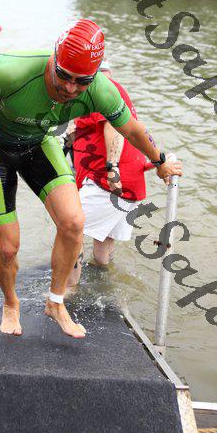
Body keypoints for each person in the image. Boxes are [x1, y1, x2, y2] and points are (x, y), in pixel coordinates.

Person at [0, 19, 182, 341]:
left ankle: (55, 303)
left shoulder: (101, 89)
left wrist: (160, 161)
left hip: (38, 144)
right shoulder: (11, 70)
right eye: (64, 75)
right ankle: (11, 303)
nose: (71, 88)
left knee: (74, 222)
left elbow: (131, 128)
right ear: (54, 58)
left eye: (82, 81)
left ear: (95, 74)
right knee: (8, 247)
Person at [67, 59, 150, 285]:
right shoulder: (110, 92)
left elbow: (112, 125)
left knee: (69, 230)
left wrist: (112, 168)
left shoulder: (102, 89)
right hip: (130, 182)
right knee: (103, 240)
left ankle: (65, 291)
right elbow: (137, 130)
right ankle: (103, 284)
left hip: (108, 180)